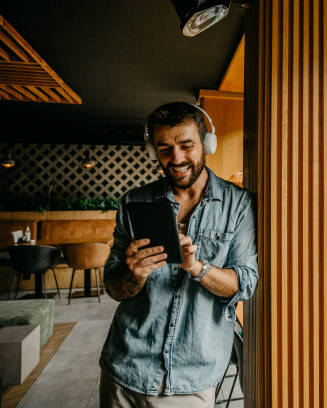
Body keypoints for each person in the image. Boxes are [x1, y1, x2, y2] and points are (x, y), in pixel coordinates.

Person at [99, 102, 258, 407]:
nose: (177, 158)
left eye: (187, 145)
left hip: (191, 378)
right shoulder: (134, 202)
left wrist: (196, 267)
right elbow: (114, 287)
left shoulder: (239, 205)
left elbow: (244, 283)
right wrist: (135, 274)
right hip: (124, 367)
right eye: (164, 149)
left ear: (206, 144)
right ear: (153, 151)